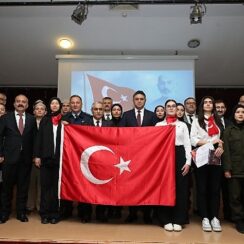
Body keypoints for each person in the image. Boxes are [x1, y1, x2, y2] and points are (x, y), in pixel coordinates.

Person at [0, 94, 36, 224]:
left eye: (24, 102)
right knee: (6, 188)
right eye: (18, 101)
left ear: (27, 105)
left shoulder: (32, 119)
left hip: (25, 160)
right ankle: (4, 213)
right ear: (14, 104)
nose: (21, 103)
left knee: (23, 188)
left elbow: (34, 139)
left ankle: (21, 213)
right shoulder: (5, 118)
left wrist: (34, 156)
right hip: (9, 159)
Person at [156, 99, 191, 232]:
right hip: (164, 157)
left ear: (177, 109)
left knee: (180, 188)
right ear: (164, 109)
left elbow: (188, 145)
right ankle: (165, 219)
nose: (171, 108)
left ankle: (179, 219)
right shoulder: (158, 125)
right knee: (164, 187)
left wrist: (188, 162)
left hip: (179, 155)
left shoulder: (182, 125)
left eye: (173, 106)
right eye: (168, 106)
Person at [120, 90, 155, 224]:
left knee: (146, 185)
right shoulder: (127, 115)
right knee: (132, 186)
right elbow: (122, 134)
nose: (139, 101)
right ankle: (132, 213)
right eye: (137, 99)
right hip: (131, 157)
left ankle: (147, 214)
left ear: (145, 101)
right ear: (133, 101)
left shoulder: (152, 116)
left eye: (141, 99)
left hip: (147, 157)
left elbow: (156, 136)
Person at [190, 96, 224, 232]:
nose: (208, 104)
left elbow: (222, 139)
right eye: (206, 102)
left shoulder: (219, 120)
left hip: (216, 155)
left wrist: (221, 146)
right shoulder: (196, 120)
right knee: (202, 188)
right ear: (202, 105)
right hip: (202, 154)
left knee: (215, 189)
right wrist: (212, 143)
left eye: (211, 102)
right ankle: (205, 217)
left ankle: (214, 217)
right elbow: (193, 139)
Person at [61, 95, 92, 222]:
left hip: (84, 157)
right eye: (72, 103)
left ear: (81, 104)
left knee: (84, 185)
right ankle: (66, 211)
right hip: (68, 157)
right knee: (67, 183)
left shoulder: (88, 118)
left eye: (77, 102)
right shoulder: (63, 118)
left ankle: (85, 213)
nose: (74, 105)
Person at [34, 97, 62, 224]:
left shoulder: (65, 121)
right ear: (49, 106)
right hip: (45, 159)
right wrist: (37, 156)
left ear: (60, 106)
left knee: (56, 189)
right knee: (45, 188)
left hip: (60, 160)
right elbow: (39, 140)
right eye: (52, 103)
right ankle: (44, 214)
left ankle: (55, 214)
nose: (55, 105)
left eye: (57, 103)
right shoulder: (45, 120)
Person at [90, 101, 113, 222]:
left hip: (105, 161)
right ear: (91, 110)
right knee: (87, 186)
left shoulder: (110, 124)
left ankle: (101, 213)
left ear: (104, 111)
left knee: (104, 187)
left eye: (100, 109)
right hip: (89, 160)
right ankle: (86, 214)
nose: (98, 111)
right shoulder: (85, 124)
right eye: (96, 109)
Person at [223, 104, 244, 233]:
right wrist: (227, 169)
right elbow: (226, 152)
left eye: (243, 112)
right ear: (234, 114)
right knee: (235, 197)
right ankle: (239, 220)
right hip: (235, 170)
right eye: (238, 112)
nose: (241, 114)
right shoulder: (228, 130)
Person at [27, 100, 47, 213]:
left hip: (43, 159)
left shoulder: (48, 123)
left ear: (45, 112)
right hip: (29, 158)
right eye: (37, 109)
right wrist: (33, 156)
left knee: (41, 184)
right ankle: (29, 206)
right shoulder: (29, 122)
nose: (39, 110)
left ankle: (40, 206)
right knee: (30, 183)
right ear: (34, 111)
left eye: (42, 109)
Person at [215, 99, 232, 221]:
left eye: (222, 107)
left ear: (225, 109)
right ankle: (214, 215)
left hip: (229, 159)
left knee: (228, 190)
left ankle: (228, 215)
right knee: (214, 189)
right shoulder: (209, 122)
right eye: (217, 107)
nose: (220, 109)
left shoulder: (230, 123)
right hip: (214, 159)